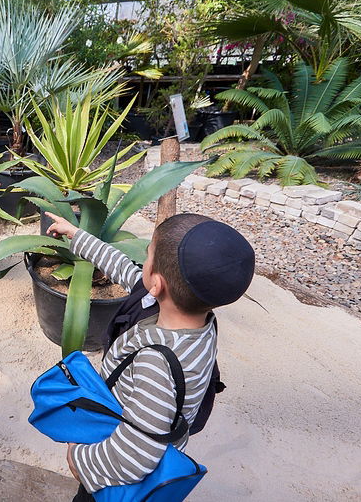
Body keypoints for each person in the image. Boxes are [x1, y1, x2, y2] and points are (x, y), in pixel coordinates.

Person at [44, 212, 255, 501]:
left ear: (156, 284)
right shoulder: (194, 314)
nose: (142, 263)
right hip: (144, 422)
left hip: (116, 477)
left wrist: (79, 459)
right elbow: (124, 270)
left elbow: (135, 456)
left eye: (148, 256)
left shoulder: (157, 364)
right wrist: (77, 237)